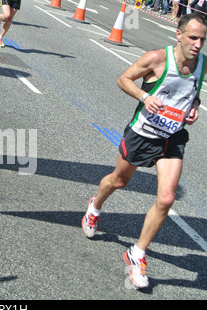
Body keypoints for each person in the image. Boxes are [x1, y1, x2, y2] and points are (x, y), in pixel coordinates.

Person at [81, 13, 206, 289]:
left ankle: (137, 254)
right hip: (143, 135)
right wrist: (144, 96)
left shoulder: (202, 64)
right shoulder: (157, 59)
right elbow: (124, 79)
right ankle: (95, 207)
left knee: (167, 198)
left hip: (171, 138)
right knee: (119, 181)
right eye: (193, 38)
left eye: (202, 39)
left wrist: (193, 106)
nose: (198, 44)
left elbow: (193, 91)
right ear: (179, 35)